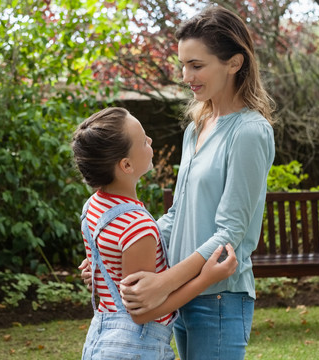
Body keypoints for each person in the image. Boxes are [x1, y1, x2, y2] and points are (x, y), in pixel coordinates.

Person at [101, 5, 275, 360]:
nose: (185, 75)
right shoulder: (197, 127)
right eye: (183, 64)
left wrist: (164, 282)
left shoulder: (249, 132)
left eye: (196, 65)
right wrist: (118, 252)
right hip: (184, 290)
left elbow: (230, 233)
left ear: (234, 63)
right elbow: (176, 215)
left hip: (221, 297)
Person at [72, 107, 238, 360]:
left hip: (101, 341)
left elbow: (107, 276)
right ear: (126, 165)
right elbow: (142, 312)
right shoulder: (137, 227)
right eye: (143, 140)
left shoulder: (93, 208)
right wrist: (204, 279)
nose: (150, 141)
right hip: (135, 347)